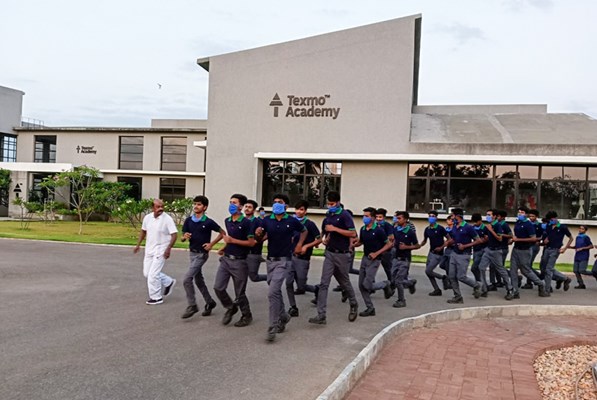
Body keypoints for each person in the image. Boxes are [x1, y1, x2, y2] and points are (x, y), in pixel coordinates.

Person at [258, 193, 307, 342]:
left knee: (272, 292)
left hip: (284, 261)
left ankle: (272, 327)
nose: (276, 204)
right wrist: (258, 234)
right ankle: (284, 316)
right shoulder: (267, 220)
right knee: (275, 290)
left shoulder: (291, 221)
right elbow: (261, 237)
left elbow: (304, 230)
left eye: (279, 202)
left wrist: (299, 244)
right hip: (270, 260)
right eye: (274, 202)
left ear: (286, 206)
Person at [309, 191, 359, 325]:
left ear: (337, 203)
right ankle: (321, 315)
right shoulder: (328, 216)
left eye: (332, 204)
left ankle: (353, 304)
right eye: (328, 203)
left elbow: (353, 233)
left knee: (344, 282)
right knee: (324, 283)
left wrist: (335, 229)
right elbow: (326, 231)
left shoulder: (345, 215)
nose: (329, 206)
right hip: (330, 253)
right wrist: (325, 239)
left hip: (341, 254)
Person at [214, 193, 256, 327]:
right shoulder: (227, 220)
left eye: (234, 203)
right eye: (230, 202)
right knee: (218, 287)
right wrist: (224, 247)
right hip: (226, 260)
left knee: (240, 293)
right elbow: (229, 238)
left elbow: (251, 243)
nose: (231, 205)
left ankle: (246, 315)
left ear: (241, 206)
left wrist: (232, 241)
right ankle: (230, 307)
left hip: (240, 261)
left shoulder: (247, 223)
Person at [180, 195, 225, 319]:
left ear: (204, 207)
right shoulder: (189, 220)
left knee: (186, 279)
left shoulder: (208, 222)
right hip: (192, 253)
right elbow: (183, 237)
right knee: (198, 279)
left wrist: (211, 244)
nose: (195, 206)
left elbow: (222, 233)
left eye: (199, 204)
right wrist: (185, 237)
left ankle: (192, 305)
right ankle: (210, 302)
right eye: (194, 204)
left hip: (201, 254)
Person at [133, 199, 177, 305]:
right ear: (152, 207)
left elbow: (174, 234)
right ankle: (168, 281)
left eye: (162, 206)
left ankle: (156, 297)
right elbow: (143, 231)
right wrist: (138, 245)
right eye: (158, 207)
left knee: (153, 274)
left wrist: (169, 248)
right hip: (149, 249)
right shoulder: (148, 218)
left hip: (161, 250)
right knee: (147, 273)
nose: (160, 209)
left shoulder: (167, 219)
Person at [353, 207, 394, 316]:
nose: (364, 218)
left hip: (375, 260)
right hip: (365, 258)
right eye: (364, 216)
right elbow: (361, 241)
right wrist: (352, 245)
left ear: (372, 218)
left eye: (366, 216)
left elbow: (389, 244)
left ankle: (385, 284)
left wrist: (377, 253)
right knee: (361, 285)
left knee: (367, 284)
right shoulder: (363, 229)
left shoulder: (378, 230)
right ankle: (370, 308)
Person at [286, 199, 322, 317]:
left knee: (301, 285)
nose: (299, 212)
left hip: (303, 258)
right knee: (289, 282)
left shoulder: (309, 224)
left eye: (301, 210)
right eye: (297, 209)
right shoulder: (290, 221)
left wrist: (306, 246)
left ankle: (317, 289)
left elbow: (319, 239)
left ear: (305, 211)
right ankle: (293, 306)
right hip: (290, 256)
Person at [445, 208, 482, 304]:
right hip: (454, 253)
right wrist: (446, 243)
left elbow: (478, 240)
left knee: (461, 276)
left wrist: (465, 246)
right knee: (452, 276)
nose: (451, 218)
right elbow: (454, 238)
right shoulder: (454, 227)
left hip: (464, 255)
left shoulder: (468, 227)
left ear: (458, 216)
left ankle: (477, 285)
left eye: (453, 216)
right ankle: (458, 297)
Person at [510, 206, 548, 298]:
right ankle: (515, 291)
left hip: (525, 250)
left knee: (525, 271)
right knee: (513, 271)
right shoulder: (518, 222)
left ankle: (540, 284)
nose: (520, 214)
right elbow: (516, 236)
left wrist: (518, 239)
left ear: (526, 214)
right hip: (516, 249)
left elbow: (533, 238)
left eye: (522, 212)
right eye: (519, 212)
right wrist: (513, 240)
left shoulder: (528, 225)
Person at [479, 209, 514, 300]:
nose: (487, 216)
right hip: (488, 249)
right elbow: (487, 237)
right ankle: (484, 288)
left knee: (501, 269)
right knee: (481, 267)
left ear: (494, 216)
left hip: (496, 251)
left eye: (489, 215)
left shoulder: (497, 225)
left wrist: (491, 231)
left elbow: (500, 239)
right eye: (487, 214)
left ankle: (510, 289)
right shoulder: (489, 225)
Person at [391, 211, 420, 308]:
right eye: (396, 218)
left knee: (398, 281)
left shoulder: (410, 232)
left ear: (405, 219)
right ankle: (410, 283)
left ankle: (401, 300)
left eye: (399, 218)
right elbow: (393, 240)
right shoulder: (395, 230)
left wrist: (406, 247)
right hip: (395, 258)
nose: (397, 220)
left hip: (405, 259)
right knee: (393, 279)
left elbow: (417, 245)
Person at [543, 210, 573, 294]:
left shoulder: (562, 227)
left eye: (552, 219)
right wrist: (546, 239)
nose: (551, 221)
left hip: (555, 249)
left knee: (549, 269)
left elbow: (571, 238)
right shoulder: (549, 226)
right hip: (547, 248)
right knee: (546, 268)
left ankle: (547, 289)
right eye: (549, 220)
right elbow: (548, 236)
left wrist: (565, 248)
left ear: (556, 218)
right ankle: (564, 278)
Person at [420, 210, 449, 296]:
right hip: (431, 252)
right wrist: (418, 245)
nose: (431, 218)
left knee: (428, 270)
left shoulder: (440, 228)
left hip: (438, 254)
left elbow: (449, 239)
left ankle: (443, 277)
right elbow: (425, 240)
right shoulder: (427, 229)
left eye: (433, 216)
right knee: (428, 272)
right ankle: (437, 289)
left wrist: (441, 247)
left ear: (436, 217)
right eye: (430, 216)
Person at [244, 199, 267, 283]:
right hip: (242, 253)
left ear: (254, 210)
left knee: (253, 277)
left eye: (249, 207)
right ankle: (241, 295)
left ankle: (271, 277)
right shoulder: (242, 221)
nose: (247, 208)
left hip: (254, 253)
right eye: (246, 206)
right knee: (241, 276)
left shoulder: (259, 222)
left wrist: (257, 241)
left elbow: (267, 234)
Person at [568, 225, 593, 289]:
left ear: (585, 230)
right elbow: (576, 247)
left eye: (582, 229)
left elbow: (591, 246)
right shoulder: (577, 237)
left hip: (584, 256)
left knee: (582, 270)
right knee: (575, 271)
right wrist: (570, 247)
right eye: (580, 228)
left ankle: (594, 273)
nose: (580, 230)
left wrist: (582, 248)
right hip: (577, 256)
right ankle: (581, 284)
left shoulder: (586, 237)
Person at [375, 208, 395, 284]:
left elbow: (391, 237)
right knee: (372, 268)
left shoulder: (387, 225)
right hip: (376, 250)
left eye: (380, 217)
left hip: (386, 251)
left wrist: (381, 237)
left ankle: (392, 282)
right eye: (377, 217)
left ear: (384, 217)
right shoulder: (374, 225)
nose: (378, 219)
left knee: (387, 268)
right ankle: (371, 285)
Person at [470, 213, 488, 287]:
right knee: (476, 268)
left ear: (480, 220)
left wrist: (479, 241)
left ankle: (482, 284)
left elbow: (486, 239)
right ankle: (480, 283)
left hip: (482, 250)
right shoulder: (472, 228)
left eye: (476, 222)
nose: (475, 223)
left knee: (475, 267)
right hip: (475, 249)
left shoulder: (485, 228)